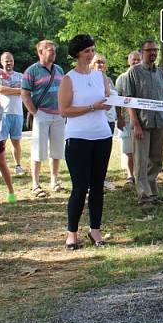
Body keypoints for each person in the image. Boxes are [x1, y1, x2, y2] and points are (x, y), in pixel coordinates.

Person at [58, 34, 113, 250]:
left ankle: (95, 229)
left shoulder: (101, 76)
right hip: (78, 137)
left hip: (102, 135)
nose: (91, 54)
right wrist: (92, 107)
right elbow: (64, 110)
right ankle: (72, 233)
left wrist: (108, 104)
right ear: (77, 54)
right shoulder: (68, 79)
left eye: (92, 50)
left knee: (97, 185)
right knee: (80, 187)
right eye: (86, 51)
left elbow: (107, 99)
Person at [117, 40, 163, 206]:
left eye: (155, 50)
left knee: (156, 159)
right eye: (149, 50)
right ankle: (144, 196)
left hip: (160, 122)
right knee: (141, 160)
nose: (153, 53)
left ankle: (153, 193)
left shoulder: (160, 73)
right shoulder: (133, 72)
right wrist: (136, 124)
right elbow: (129, 100)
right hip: (142, 124)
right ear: (142, 53)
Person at [21, 40, 65, 198]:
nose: (53, 53)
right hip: (42, 114)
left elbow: (65, 91)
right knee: (38, 150)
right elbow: (25, 95)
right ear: (40, 52)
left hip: (59, 114)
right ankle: (35, 184)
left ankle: (54, 181)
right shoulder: (31, 71)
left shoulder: (59, 69)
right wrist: (35, 113)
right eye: (49, 50)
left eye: (54, 50)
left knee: (57, 149)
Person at [0, 52, 25, 176]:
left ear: (13, 61)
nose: (8, 63)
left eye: (10, 60)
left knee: (16, 141)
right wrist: (18, 90)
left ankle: (18, 165)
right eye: (6, 61)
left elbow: (25, 91)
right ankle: (1, 167)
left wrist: (13, 90)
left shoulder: (20, 76)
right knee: (1, 142)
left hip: (18, 113)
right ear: (1, 62)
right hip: (3, 112)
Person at [90, 53, 117, 190]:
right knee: (92, 152)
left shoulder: (109, 80)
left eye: (102, 62)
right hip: (94, 120)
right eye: (97, 62)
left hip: (109, 120)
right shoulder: (88, 79)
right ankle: (90, 180)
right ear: (92, 64)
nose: (100, 65)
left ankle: (101, 179)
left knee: (104, 153)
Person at [114, 50, 142, 185]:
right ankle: (130, 176)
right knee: (128, 150)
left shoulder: (145, 77)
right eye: (133, 60)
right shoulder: (122, 78)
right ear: (128, 61)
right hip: (126, 120)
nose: (136, 62)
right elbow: (117, 100)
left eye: (138, 59)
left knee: (141, 151)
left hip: (143, 121)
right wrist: (118, 118)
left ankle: (141, 175)